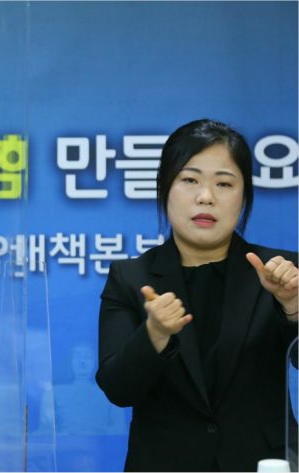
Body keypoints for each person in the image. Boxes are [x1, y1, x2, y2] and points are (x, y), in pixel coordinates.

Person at [96, 119, 298, 471]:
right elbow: (118, 389)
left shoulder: (282, 272)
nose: (206, 197)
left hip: (263, 463)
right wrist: (154, 334)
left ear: (244, 196)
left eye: (224, 183)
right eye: (190, 180)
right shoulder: (130, 278)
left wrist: (293, 307)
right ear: (165, 188)